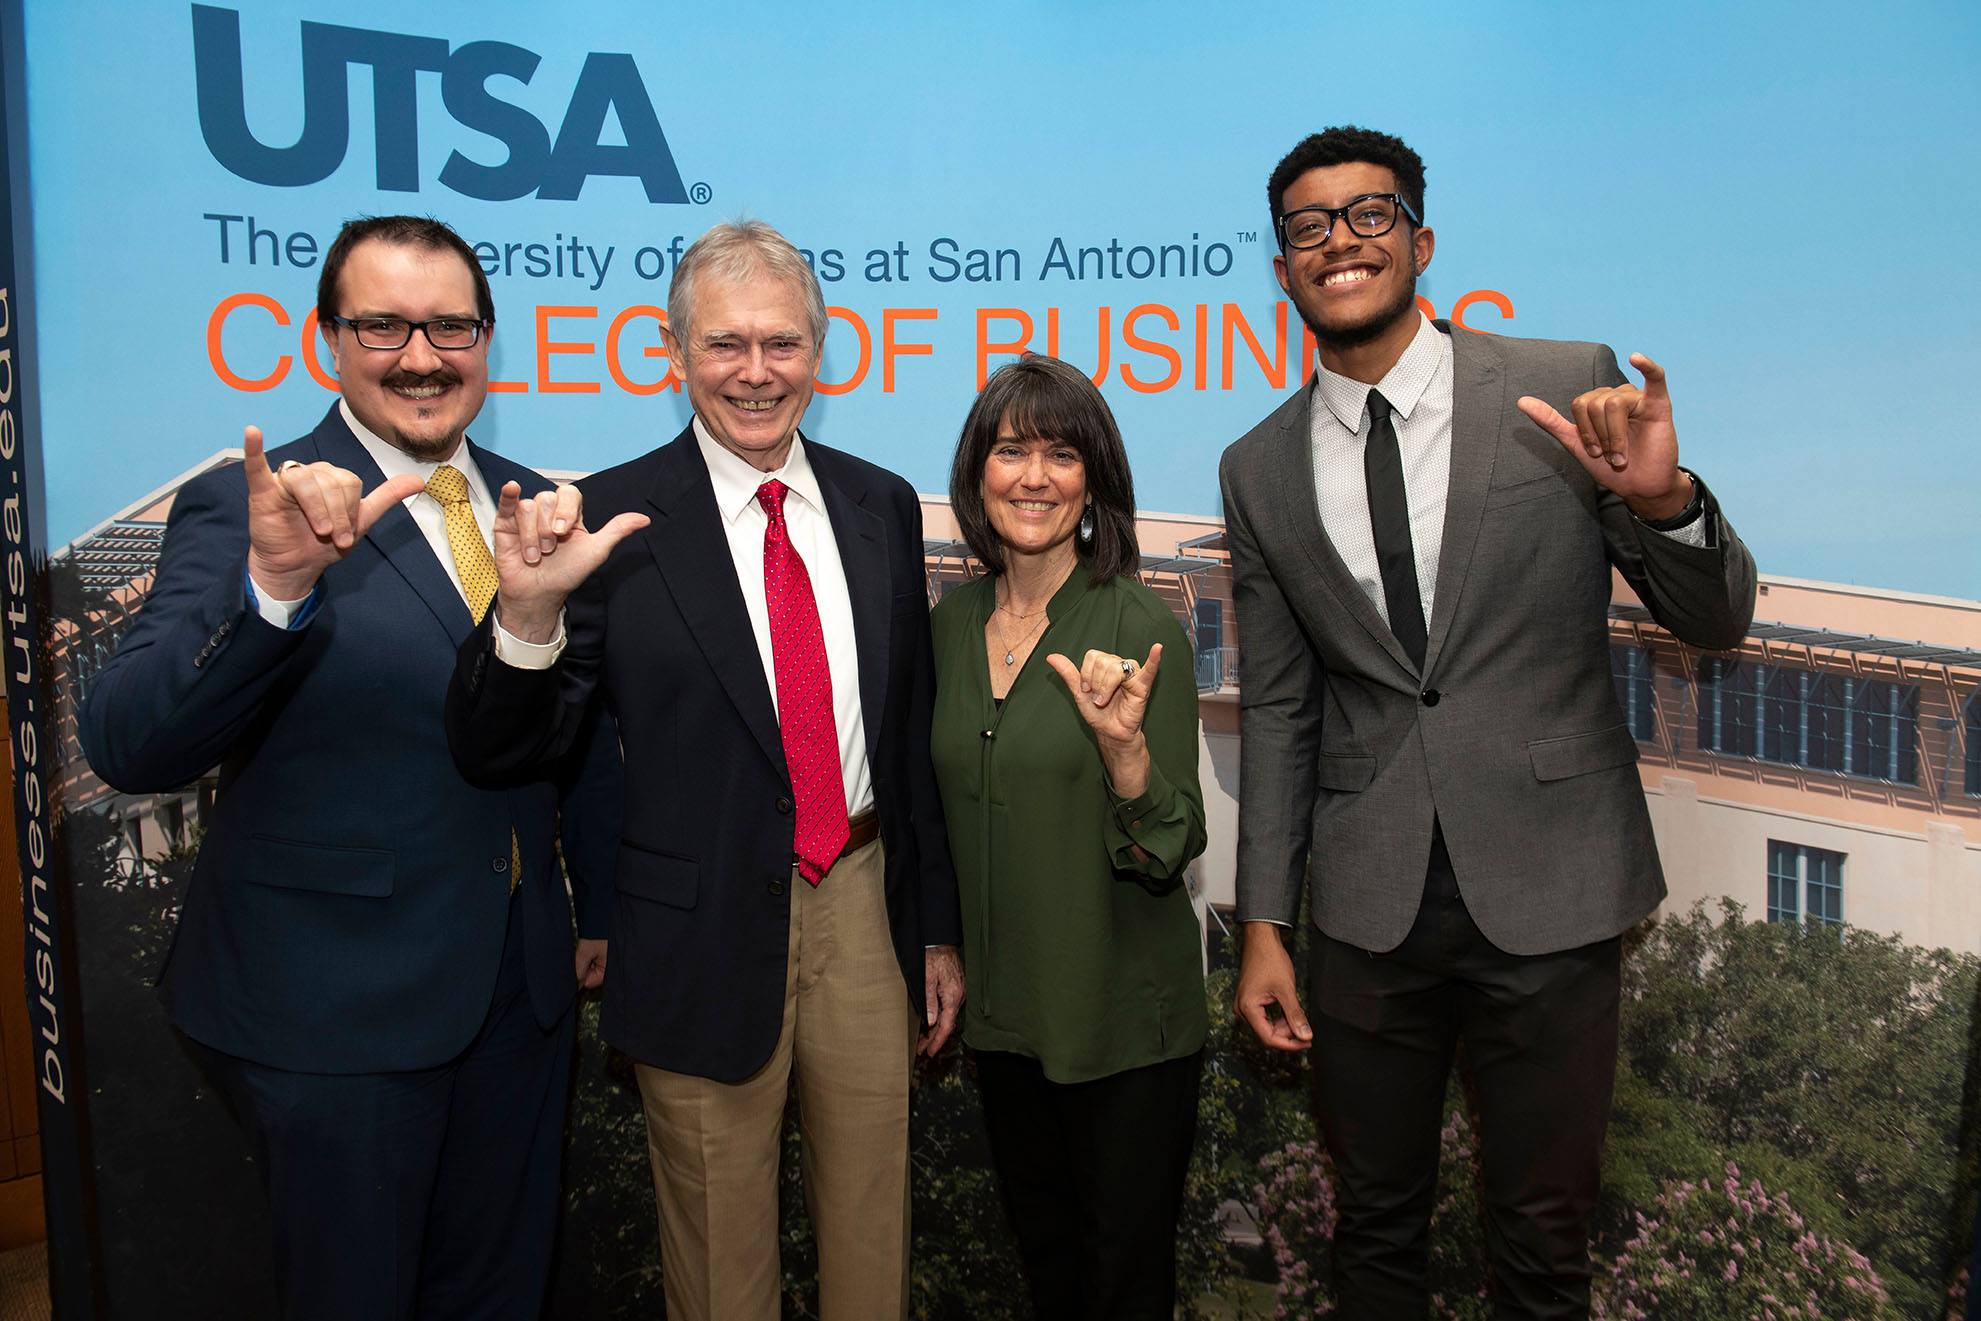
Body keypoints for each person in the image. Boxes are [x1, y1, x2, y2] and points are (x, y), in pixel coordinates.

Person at [1222, 126, 1757, 1317]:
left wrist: (1661, 499)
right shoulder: (1254, 467)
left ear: (1418, 240)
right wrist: (1265, 920)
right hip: (1365, 909)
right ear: (1283, 268)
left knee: (1540, 1246)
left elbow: (1714, 622)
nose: (1338, 242)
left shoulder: (1561, 385)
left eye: (1368, 215)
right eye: (1307, 227)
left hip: (1554, 885)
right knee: (1372, 1236)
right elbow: (1278, 706)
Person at [77, 215, 620, 1319]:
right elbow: (130, 743)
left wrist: (594, 909)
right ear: (329, 338)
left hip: (516, 998)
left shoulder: (546, 509)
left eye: (449, 326)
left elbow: (562, 739)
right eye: (384, 325)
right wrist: (273, 590)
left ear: (487, 339)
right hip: (330, 1013)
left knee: (498, 1295)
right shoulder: (253, 504)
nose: (421, 356)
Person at [443, 219, 965, 1321]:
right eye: (725, 344)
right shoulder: (610, 520)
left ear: (821, 354)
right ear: (674, 351)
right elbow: (514, 748)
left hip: (866, 904)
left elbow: (909, 737)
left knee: (875, 1228)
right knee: (722, 1265)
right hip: (695, 927)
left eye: (781, 344)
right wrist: (524, 615)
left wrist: (935, 928)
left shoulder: (881, 503)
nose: (755, 372)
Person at [928, 356, 1208, 1320]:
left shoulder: (1134, 619)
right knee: (1047, 1275)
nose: (1034, 476)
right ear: (977, 473)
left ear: (1094, 480)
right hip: (1007, 1025)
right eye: (1011, 451)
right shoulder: (949, 623)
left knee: (1120, 1287)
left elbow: (1171, 843)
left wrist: (1125, 754)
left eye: (1060, 452)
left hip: (1123, 1027)